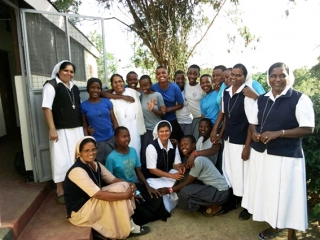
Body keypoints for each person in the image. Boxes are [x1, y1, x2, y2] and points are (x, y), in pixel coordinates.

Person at [241, 62, 315, 240]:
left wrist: (279, 133)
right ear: (268, 78)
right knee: (269, 192)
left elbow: (308, 128)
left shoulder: (300, 99)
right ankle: (274, 226)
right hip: (263, 156)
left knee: (288, 194)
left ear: (289, 77)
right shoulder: (263, 99)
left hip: (287, 157)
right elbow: (253, 122)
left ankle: (291, 233)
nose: (278, 79)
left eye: (282, 75)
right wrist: (256, 134)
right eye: (273, 76)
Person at [64, 136, 150, 239]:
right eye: (86, 151)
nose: (91, 153)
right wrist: (125, 195)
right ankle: (127, 227)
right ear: (79, 153)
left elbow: (114, 180)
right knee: (120, 191)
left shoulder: (96, 165)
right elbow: (98, 194)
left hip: (92, 201)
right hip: (80, 211)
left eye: (93, 149)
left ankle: (128, 223)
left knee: (124, 185)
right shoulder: (77, 171)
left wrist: (130, 185)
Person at [106, 127, 171, 226]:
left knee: (156, 198)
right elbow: (109, 180)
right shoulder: (111, 158)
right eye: (124, 136)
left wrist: (147, 187)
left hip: (135, 186)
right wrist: (129, 193)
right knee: (139, 211)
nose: (127, 139)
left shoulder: (132, 151)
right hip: (123, 189)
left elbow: (138, 171)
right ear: (116, 138)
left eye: (128, 136)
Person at [42, 60, 84, 204]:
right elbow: (46, 108)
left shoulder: (74, 87)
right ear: (59, 71)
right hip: (60, 129)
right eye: (65, 70)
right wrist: (52, 128)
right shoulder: (51, 85)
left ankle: (76, 187)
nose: (69, 73)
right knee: (60, 159)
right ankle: (60, 190)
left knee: (76, 158)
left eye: (71, 71)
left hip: (76, 128)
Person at [158, 135, 229, 217]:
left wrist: (169, 190)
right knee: (184, 180)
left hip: (220, 193)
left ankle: (214, 206)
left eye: (186, 144)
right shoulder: (194, 159)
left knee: (185, 192)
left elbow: (188, 182)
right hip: (213, 189)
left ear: (194, 145)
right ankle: (206, 204)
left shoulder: (198, 160)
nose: (183, 147)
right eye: (181, 145)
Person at [220, 63, 256, 221]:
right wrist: (218, 132)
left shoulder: (247, 94)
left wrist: (247, 147)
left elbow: (251, 122)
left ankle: (248, 206)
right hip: (228, 139)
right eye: (232, 74)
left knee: (244, 174)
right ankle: (233, 200)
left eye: (238, 75)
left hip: (242, 141)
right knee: (230, 171)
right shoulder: (226, 93)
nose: (234, 77)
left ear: (244, 77)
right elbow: (225, 117)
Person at [143, 120, 184, 212]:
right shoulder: (151, 147)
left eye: (167, 131)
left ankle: (175, 197)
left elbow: (177, 164)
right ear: (157, 133)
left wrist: (181, 168)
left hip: (167, 173)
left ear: (170, 131)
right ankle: (168, 205)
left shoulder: (173, 145)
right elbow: (152, 170)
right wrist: (173, 176)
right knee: (163, 191)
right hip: (153, 177)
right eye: (161, 131)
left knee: (183, 178)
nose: (164, 133)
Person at [81, 78, 118, 165]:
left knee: (113, 163)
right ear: (88, 89)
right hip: (96, 141)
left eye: (98, 88)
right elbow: (85, 125)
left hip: (111, 138)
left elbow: (114, 119)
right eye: (92, 87)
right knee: (98, 164)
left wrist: (117, 136)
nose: (95, 90)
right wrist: (87, 141)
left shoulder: (107, 102)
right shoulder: (83, 106)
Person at [109, 74, 146, 156]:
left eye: (120, 81)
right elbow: (102, 93)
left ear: (123, 82)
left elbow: (146, 89)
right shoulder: (111, 99)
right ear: (112, 85)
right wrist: (123, 97)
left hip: (134, 128)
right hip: (121, 129)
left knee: (136, 151)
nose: (118, 84)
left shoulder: (132, 92)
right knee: (123, 152)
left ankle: (137, 168)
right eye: (115, 82)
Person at [151, 66, 184, 142]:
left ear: (168, 74)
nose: (161, 75)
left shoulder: (175, 87)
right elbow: (145, 91)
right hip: (157, 120)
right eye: (158, 74)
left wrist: (168, 109)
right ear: (156, 76)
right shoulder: (153, 87)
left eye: (163, 73)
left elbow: (181, 104)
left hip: (171, 120)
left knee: (175, 142)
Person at [139, 75, 165, 169]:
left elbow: (163, 114)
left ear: (150, 84)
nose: (144, 88)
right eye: (142, 86)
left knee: (158, 154)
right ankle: (147, 176)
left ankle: (160, 174)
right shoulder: (141, 95)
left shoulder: (157, 95)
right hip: (146, 130)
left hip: (156, 130)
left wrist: (153, 109)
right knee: (145, 154)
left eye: (146, 85)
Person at [184, 64, 205, 139]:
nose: (192, 76)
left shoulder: (201, 86)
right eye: (190, 74)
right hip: (195, 118)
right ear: (187, 74)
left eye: (195, 74)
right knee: (195, 138)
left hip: (203, 117)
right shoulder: (185, 85)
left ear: (198, 75)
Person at [174, 70, 193, 135]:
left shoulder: (188, 89)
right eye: (178, 79)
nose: (180, 81)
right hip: (177, 122)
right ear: (174, 79)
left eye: (182, 78)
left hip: (188, 122)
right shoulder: (172, 90)